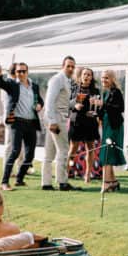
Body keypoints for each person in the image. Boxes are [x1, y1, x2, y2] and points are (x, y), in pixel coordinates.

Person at [0, 63, 42, 189]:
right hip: (17, 122)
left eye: (23, 71)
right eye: (18, 71)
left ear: (27, 72)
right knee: (15, 152)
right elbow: (1, 84)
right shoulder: (13, 85)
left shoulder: (35, 86)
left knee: (30, 155)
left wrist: (40, 105)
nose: (20, 73)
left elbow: (40, 100)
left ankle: (19, 179)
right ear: (15, 73)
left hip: (31, 123)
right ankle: (4, 182)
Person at [42, 56, 77, 191]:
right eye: (68, 66)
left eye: (72, 66)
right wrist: (52, 121)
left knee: (49, 152)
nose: (70, 69)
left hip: (58, 116)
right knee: (63, 149)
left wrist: (75, 103)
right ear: (63, 65)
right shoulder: (57, 79)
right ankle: (62, 182)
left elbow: (64, 103)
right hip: (56, 118)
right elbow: (49, 101)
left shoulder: (67, 81)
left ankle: (46, 183)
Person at [68, 67, 101, 184]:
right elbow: (69, 103)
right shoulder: (74, 89)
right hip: (77, 122)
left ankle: (87, 175)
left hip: (90, 123)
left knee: (90, 149)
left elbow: (98, 108)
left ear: (92, 78)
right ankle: (66, 172)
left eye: (89, 75)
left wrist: (96, 110)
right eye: (85, 74)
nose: (86, 76)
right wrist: (75, 106)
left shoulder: (95, 91)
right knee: (73, 148)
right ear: (80, 76)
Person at [98, 70, 126, 193]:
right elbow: (102, 110)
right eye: (103, 78)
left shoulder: (116, 92)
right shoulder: (105, 92)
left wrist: (103, 104)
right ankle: (113, 182)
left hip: (114, 127)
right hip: (106, 125)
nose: (104, 80)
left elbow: (120, 108)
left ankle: (107, 183)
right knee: (106, 152)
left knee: (107, 153)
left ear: (112, 79)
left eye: (107, 78)